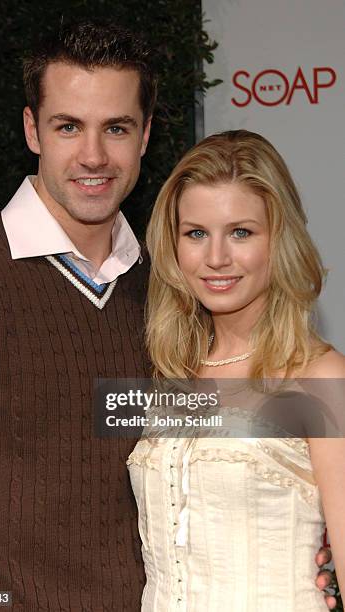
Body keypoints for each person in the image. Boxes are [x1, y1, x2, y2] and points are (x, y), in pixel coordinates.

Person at [0, 22, 335, 610]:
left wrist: (313, 524)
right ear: (32, 129)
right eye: (68, 126)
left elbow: (232, 468)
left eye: (117, 128)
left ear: (146, 134)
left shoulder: (177, 291)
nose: (94, 155)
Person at [128, 130, 345, 610]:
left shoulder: (323, 380)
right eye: (196, 233)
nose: (216, 258)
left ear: (279, 239)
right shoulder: (167, 375)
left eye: (241, 232)